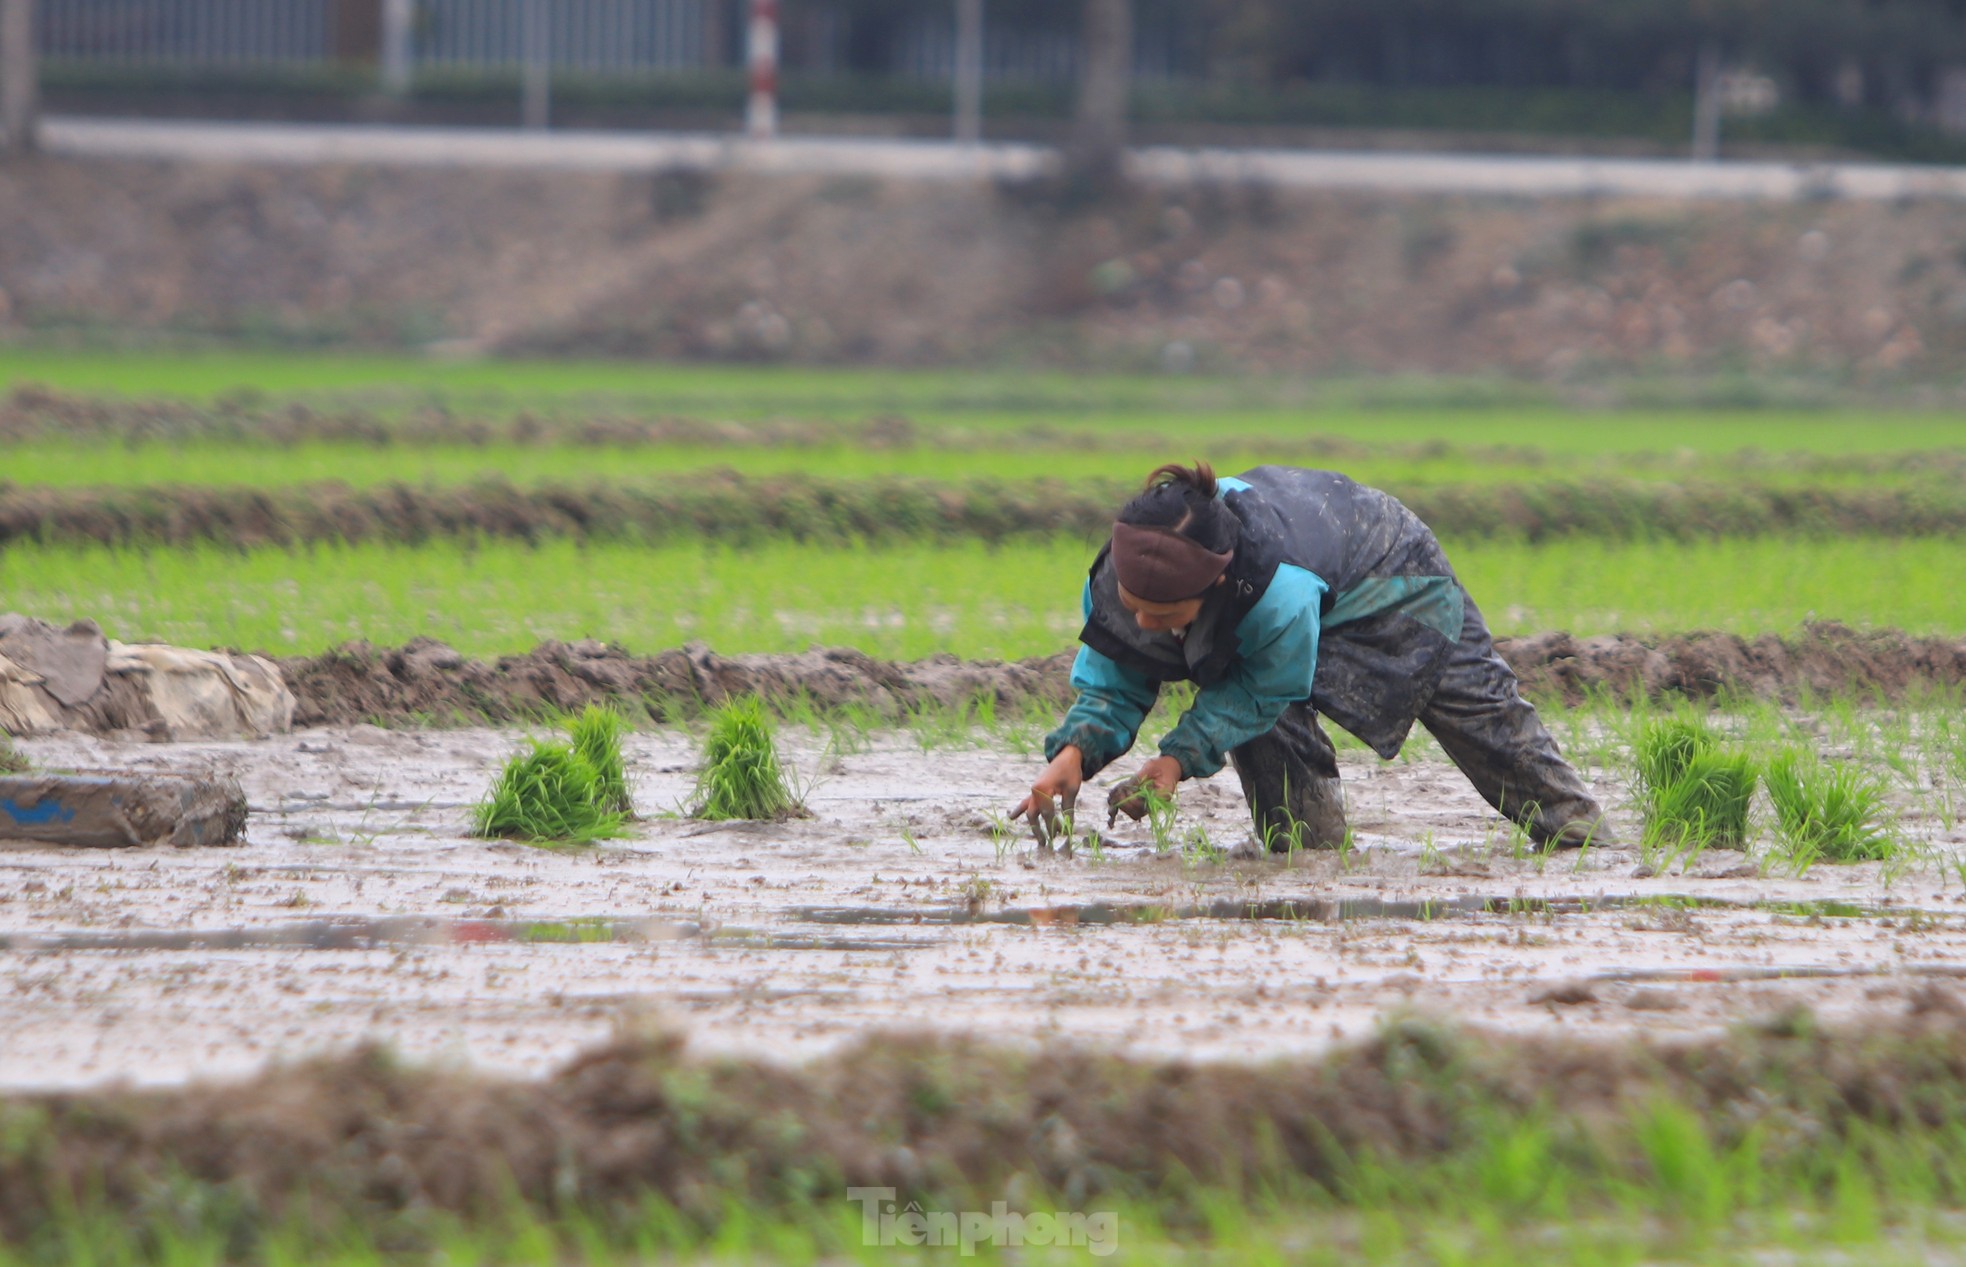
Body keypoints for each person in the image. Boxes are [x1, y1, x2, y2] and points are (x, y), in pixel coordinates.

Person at [1013, 461, 1610, 851]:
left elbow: (1262, 690)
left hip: (1392, 575)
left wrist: (1173, 762)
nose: (1145, 625)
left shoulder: (1276, 592)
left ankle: (1584, 838)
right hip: (1305, 579)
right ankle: (1304, 850)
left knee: (1481, 717)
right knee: (1262, 723)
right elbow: (1116, 672)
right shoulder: (1122, 576)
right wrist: (1074, 754)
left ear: (1215, 587)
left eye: (1164, 617)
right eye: (1134, 606)